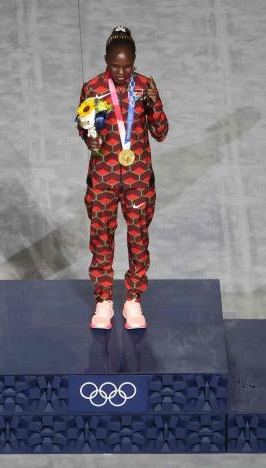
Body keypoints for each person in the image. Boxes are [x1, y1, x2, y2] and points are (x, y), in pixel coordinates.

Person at [78, 26, 169, 330]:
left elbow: (160, 133)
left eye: (127, 66)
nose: (121, 72)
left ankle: (133, 299)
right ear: (106, 60)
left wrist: (155, 102)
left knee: (138, 237)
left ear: (134, 62)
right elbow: (86, 126)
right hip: (102, 177)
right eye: (115, 66)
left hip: (138, 178)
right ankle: (103, 300)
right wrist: (89, 137)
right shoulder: (94, 88)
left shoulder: (144, 87)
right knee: (101, 236)